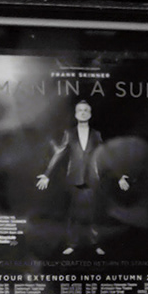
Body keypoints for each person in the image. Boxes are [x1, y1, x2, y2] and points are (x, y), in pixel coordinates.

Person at [36, 100, 130, 256]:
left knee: (93, 214)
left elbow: (106, 156)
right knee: (73, 214)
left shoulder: (96, 135)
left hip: (92, 178)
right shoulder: (69, 134)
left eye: (86, 110)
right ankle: (71, 244)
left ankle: (95, 243)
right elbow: (59, 154)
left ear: (90, 114)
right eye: (80, 110)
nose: (83, 112)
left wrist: (119, 176)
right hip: (74, 178)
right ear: (75, 114)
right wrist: (46, 175)